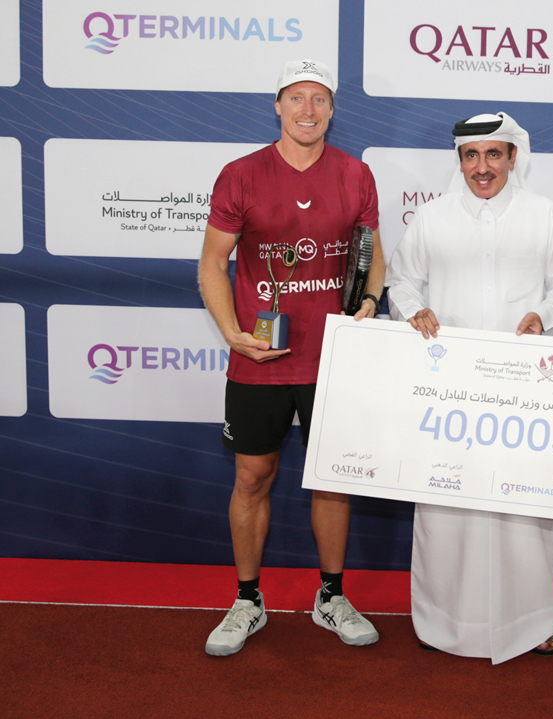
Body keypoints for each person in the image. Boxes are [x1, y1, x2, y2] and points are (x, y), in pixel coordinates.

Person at [198, 59, 385, 656]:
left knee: (333, 481)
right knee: (252, 477)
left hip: (334, 357)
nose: (308, 110)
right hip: (261, 355)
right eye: (296, 98)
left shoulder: (356, 174)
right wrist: (232, 333)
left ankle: (330, 596)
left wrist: (373, 299)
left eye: (319, 99)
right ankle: (247, 601)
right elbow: (211, 265)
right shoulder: (241, 174)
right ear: (277, 107)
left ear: (332, 109)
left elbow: (371, 253)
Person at [385, 112, 553, 664]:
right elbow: (400, 281)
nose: (482, 167)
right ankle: (441, 621)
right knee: (448, 507)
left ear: (513, 158)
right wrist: (412, 308)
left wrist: (543, 315)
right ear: (460, 160)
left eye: (494, 154)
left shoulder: (544, 217)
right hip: (450, 391)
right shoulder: (431, 217)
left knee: (526, 509)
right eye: (471, 156)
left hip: (526, 390)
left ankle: (535, 620)